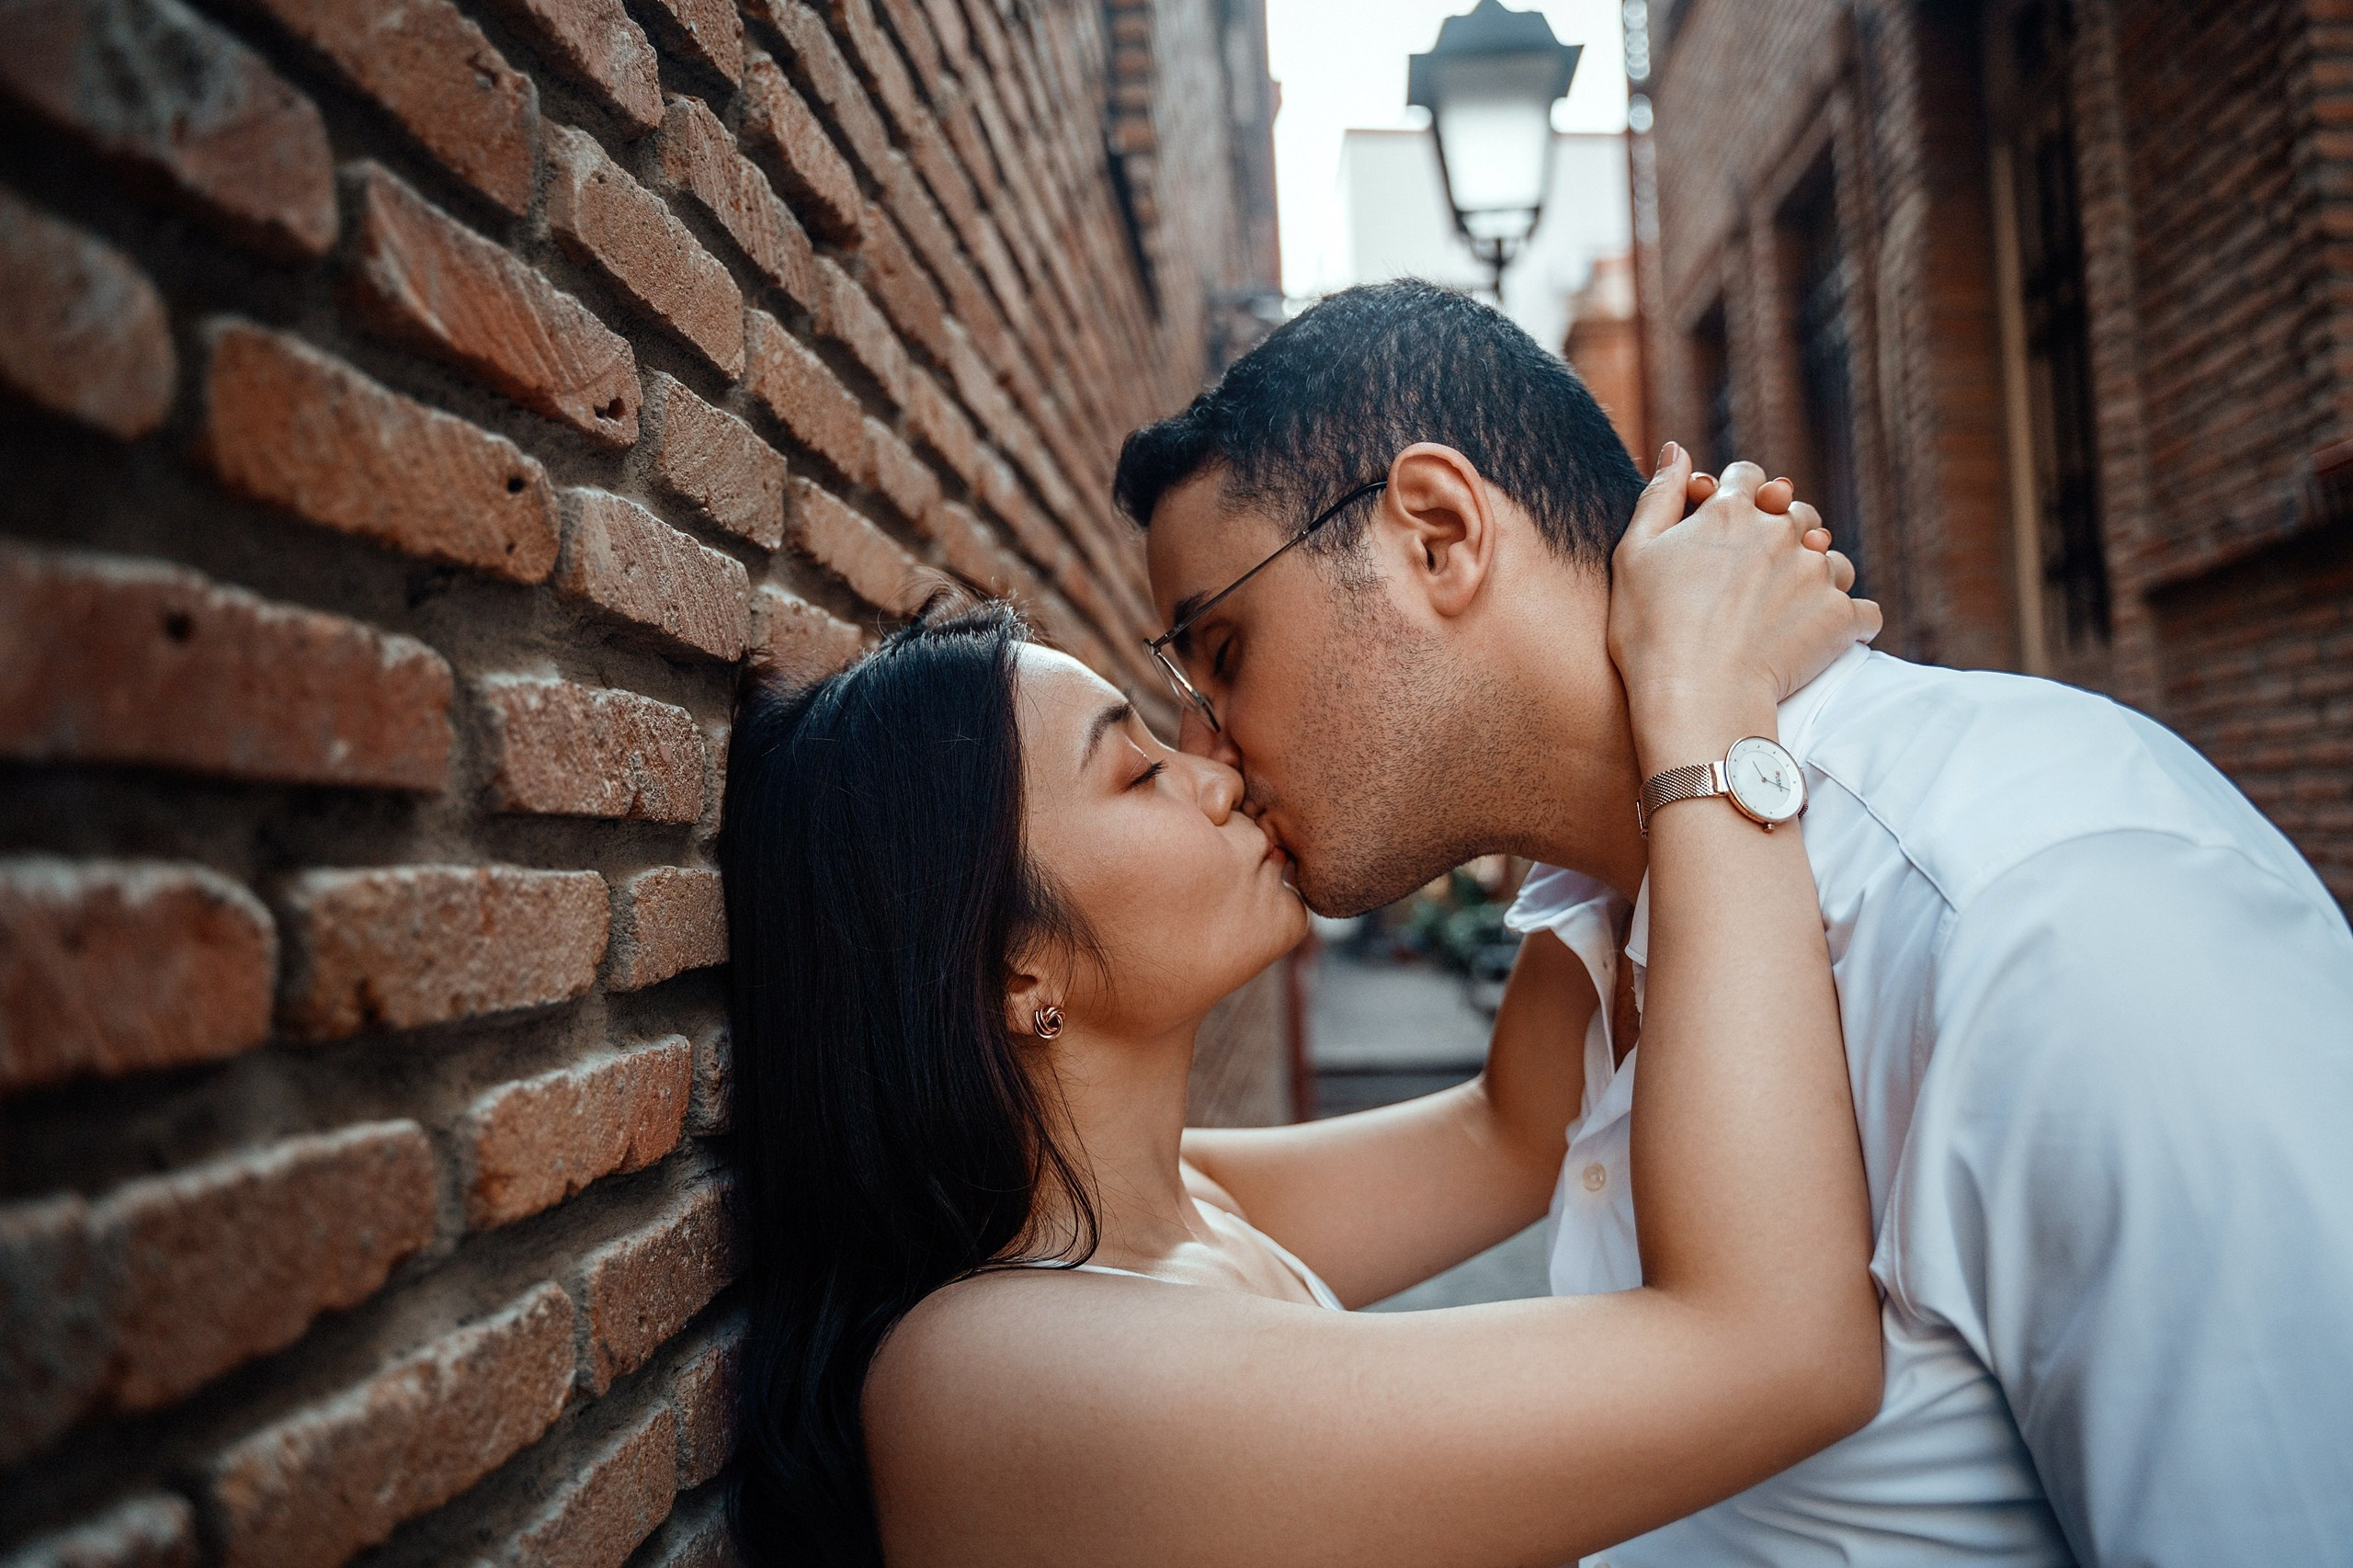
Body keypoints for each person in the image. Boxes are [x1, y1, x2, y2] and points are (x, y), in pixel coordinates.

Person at [1119, 277, 2353, 1567]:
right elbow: (1471, 1145)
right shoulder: (1602, 913)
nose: (1207, 747)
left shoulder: (2049, 914)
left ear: (1436, 533)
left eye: (1224, 649)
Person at [716, 455, 1883, 1568]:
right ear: (1017, 972)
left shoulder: (1185, 1205)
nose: (1216, 769)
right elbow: (1777, 1351)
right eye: (1134, 770)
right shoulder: (986, 1373)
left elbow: (1516, 1131)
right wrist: (1710, 698)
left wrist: (1583, 707)